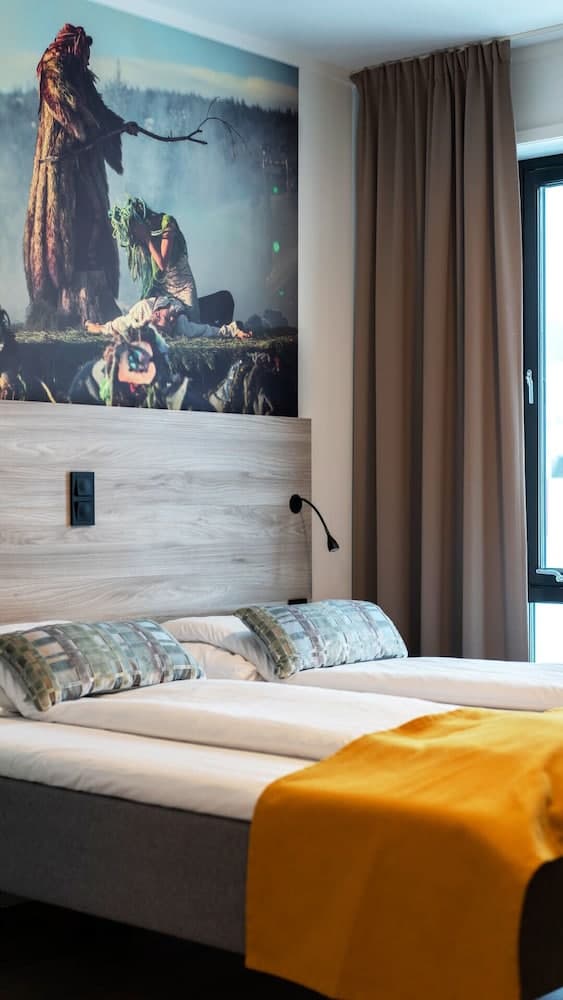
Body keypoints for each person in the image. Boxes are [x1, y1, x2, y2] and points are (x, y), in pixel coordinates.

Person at [24, 24, 137, 327]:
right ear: (73, 46)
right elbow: (66, 109)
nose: (88, 59)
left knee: (95, 213)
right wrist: (85, 131)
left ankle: (90, 274)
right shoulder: (53, 68)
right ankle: (64, 296)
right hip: (59, 166)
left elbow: (97, 110)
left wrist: (120, 126)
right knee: (62, 223)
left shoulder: (81, 76)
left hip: (84, 162)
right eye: (84, 51)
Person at [109, 197, 201, 321]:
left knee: (191, 322)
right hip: (163, 288)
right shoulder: (142, 238)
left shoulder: (167, 223)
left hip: (183, 286)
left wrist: (147, 239)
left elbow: (162, 264)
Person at [84, 295, 252, 340]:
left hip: (163, 290)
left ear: (157, 314)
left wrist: (93, 326)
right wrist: (234, 330)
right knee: (225, 298)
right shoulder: (181, 326)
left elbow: (112, 327)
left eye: (168, 320)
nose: (173, 321)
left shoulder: (141, 310)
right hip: (185, 304)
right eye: (171, 325)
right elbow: (207, 331)